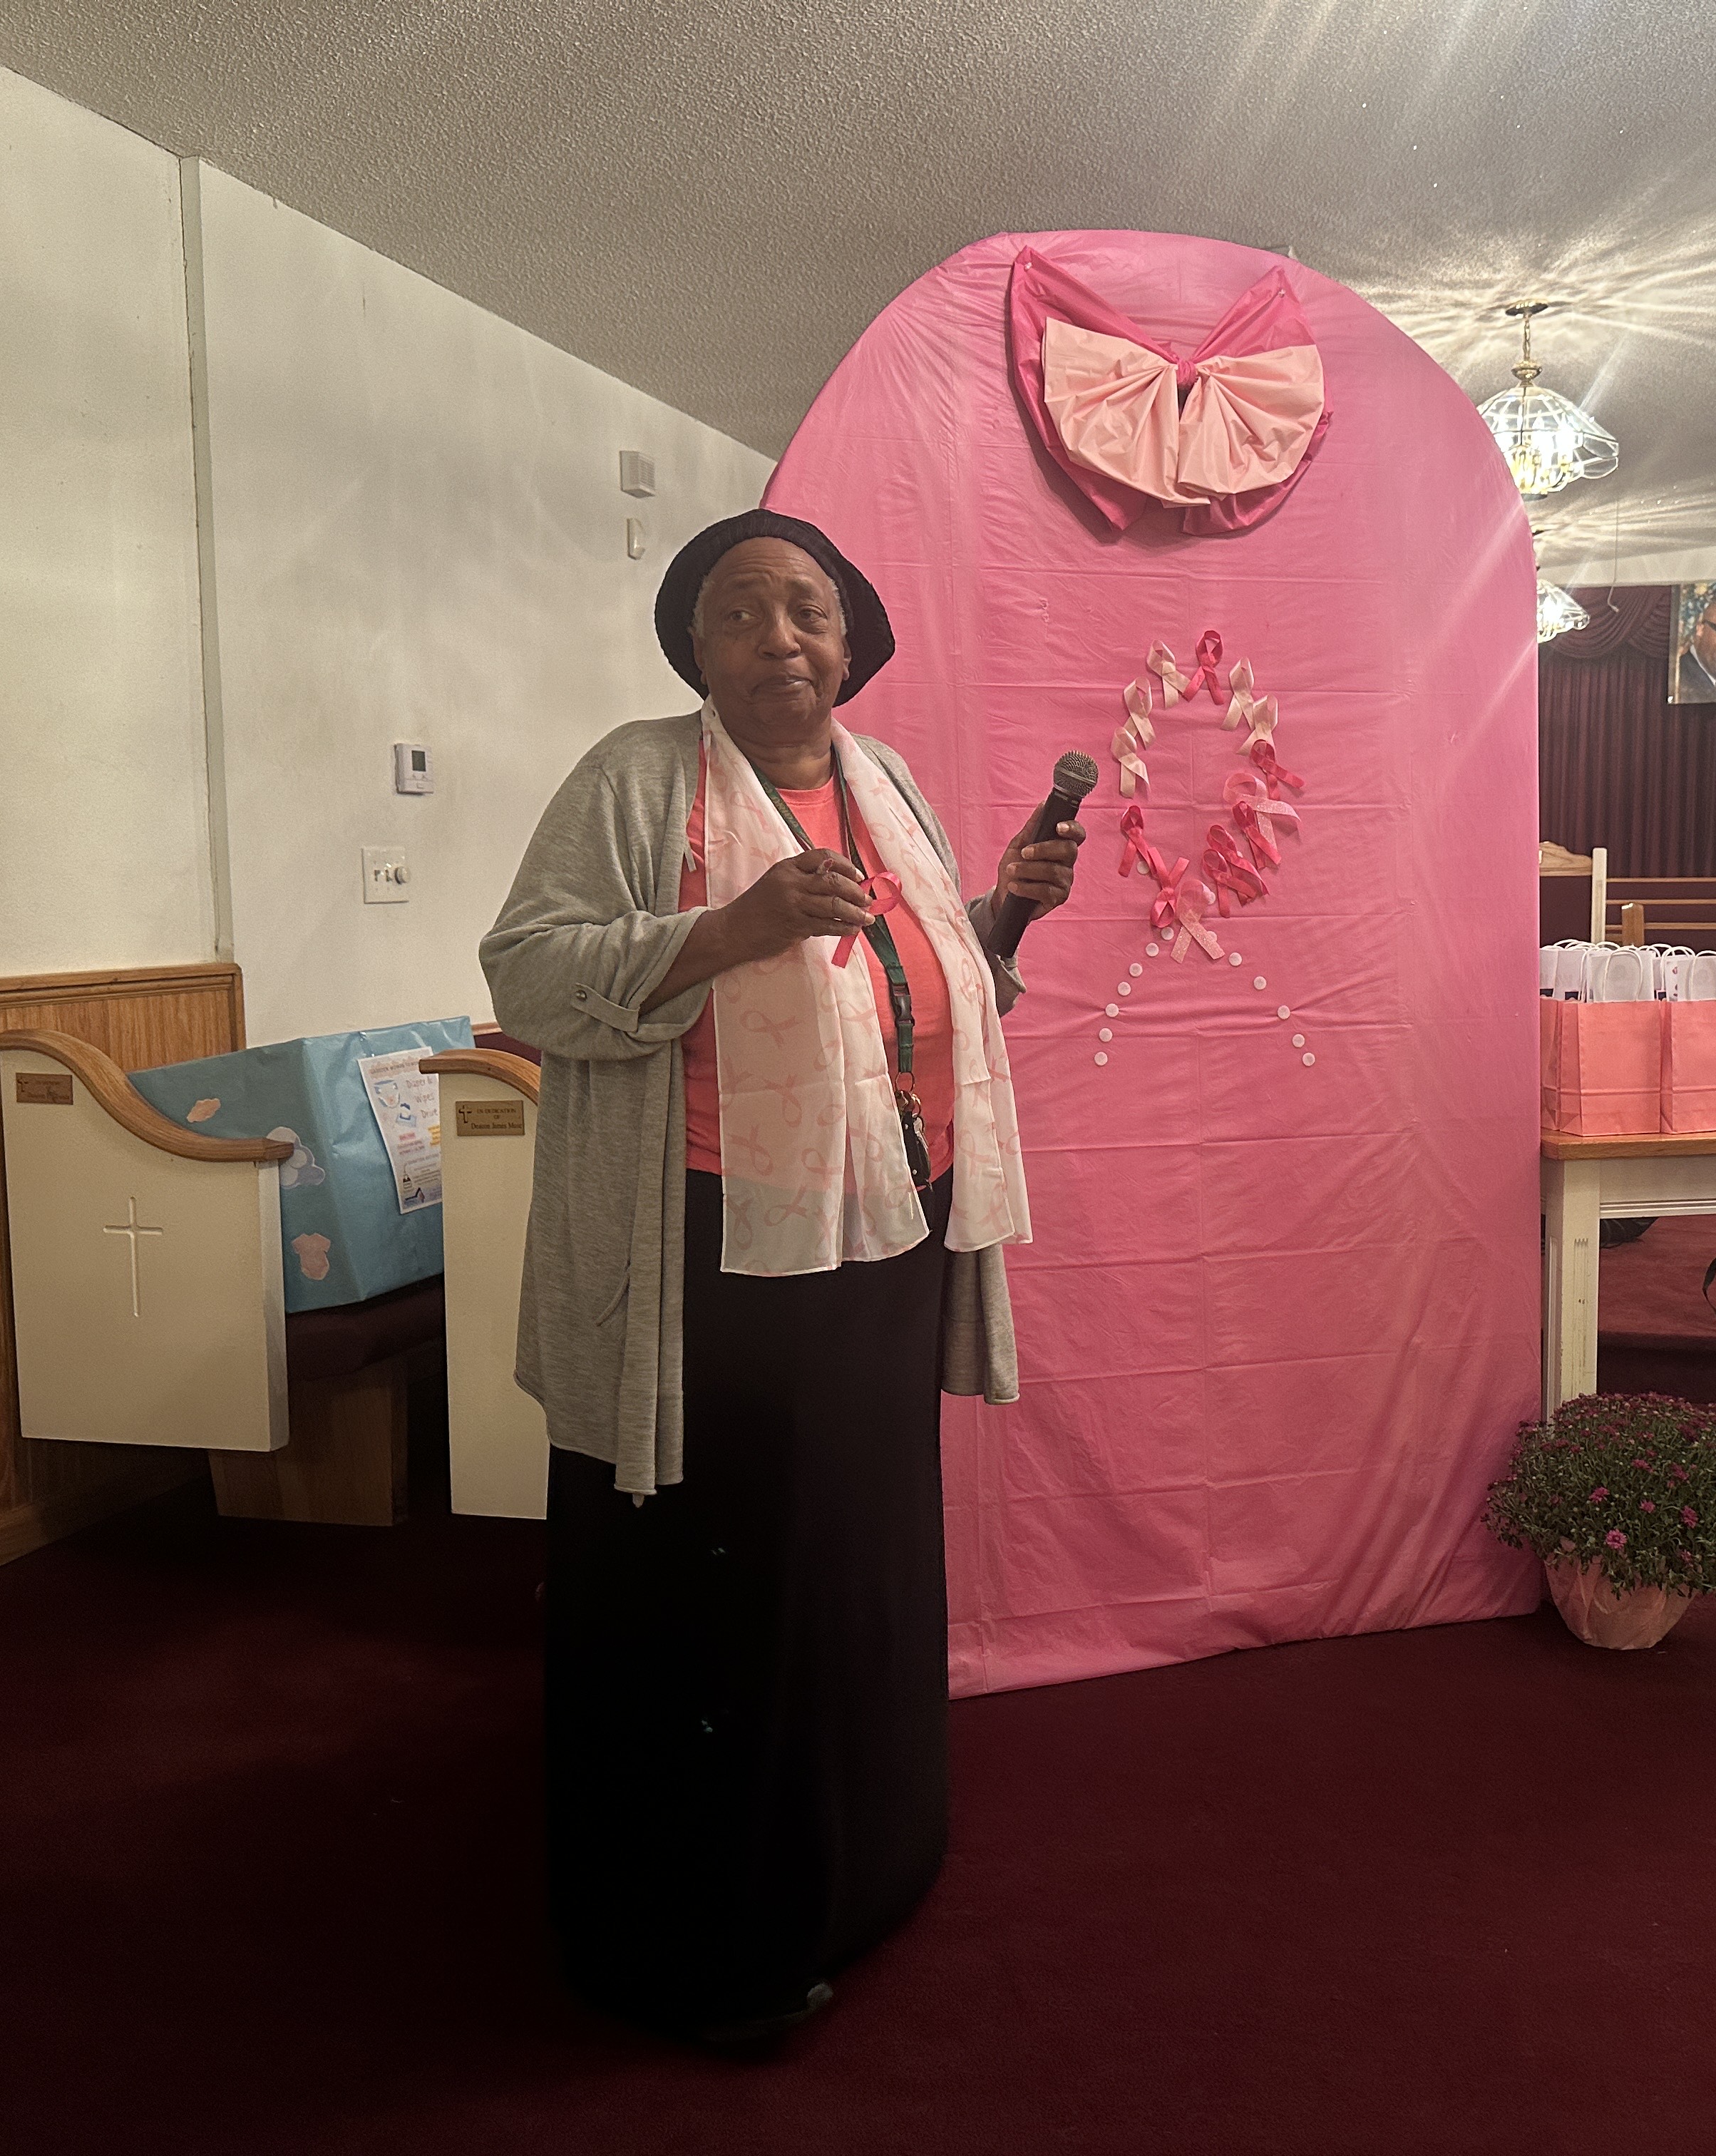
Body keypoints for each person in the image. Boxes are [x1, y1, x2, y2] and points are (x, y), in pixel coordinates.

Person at [482, 508, 1082, 2045]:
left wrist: (1003, 908)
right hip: (708, 1259)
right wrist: (729, 926)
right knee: (724, 1590)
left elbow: (936, 992)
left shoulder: (889, 790)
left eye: (807, 611)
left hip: (879, 1240)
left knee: (846, 1568)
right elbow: (530, 973)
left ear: (851, 640)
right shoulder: (635, 777)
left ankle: (868, 1862)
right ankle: (701, 1932)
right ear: (696, 647)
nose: (780, 640)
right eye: (741, 614)